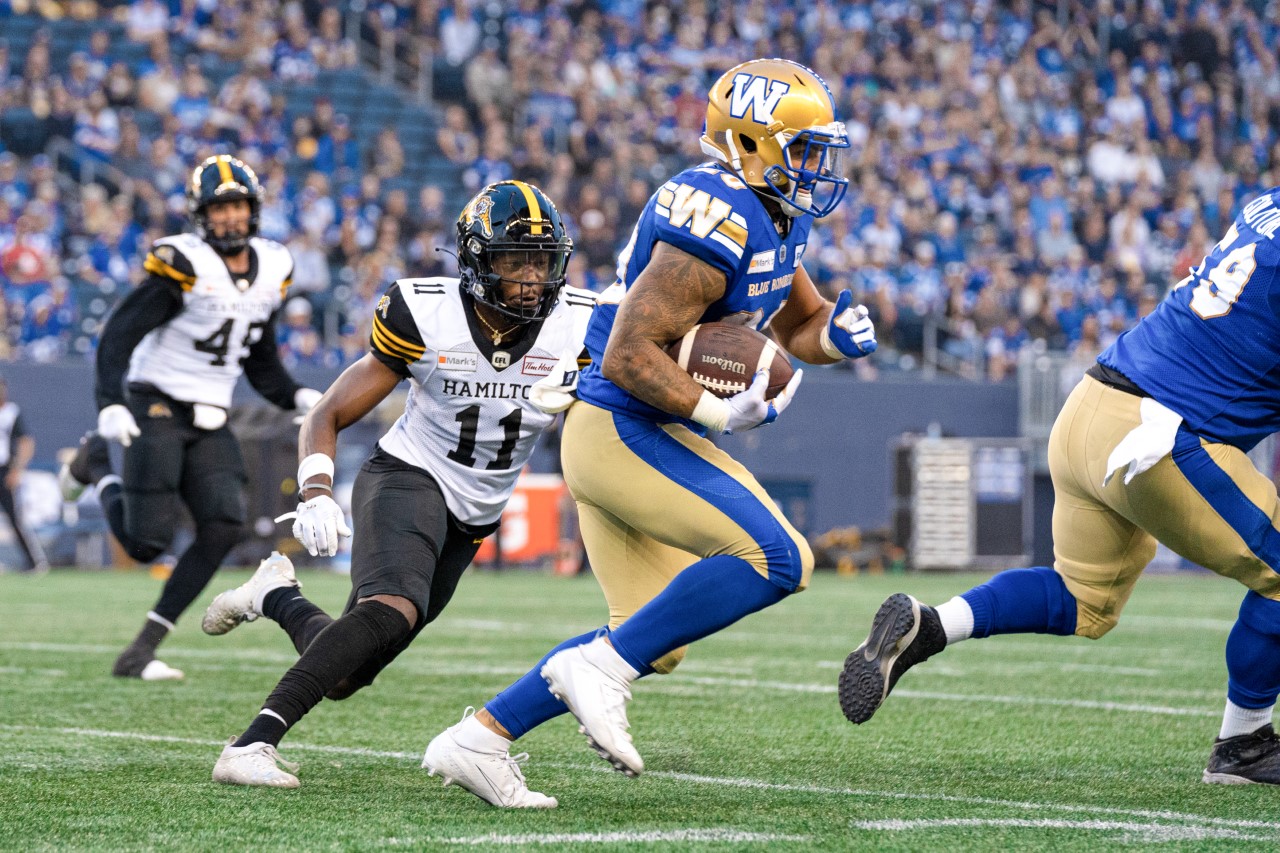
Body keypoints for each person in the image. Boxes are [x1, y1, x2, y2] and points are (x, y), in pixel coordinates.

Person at [423, 58, 877, 808]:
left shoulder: (775, 214)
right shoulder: (717, 213)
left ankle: (481, 737)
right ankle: (597, 669)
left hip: (629, 429)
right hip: (620, 424)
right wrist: (719, 413)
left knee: (651, 638)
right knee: (780, 557)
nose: (814, 166)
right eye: (801, 147)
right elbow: (629, 353)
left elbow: (797, 325)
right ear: (749, 142)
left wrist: (836, 334)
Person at [840, 187, 1280, 786]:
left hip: (1089, 406)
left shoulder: (1264, 204)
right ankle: (1244, 744)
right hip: (1159, 435)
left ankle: (934, 625)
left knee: (1082, 600)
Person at [203, 181, 593, 790]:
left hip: (475, 512)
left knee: (346, 674)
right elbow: (327, 413)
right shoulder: (425, 313)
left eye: (541, 263)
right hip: (409, 475)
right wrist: (315, 492)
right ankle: (251, 744)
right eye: (515, 261)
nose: (530, 279)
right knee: (393, 608)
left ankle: (275, 595)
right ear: (476, 260)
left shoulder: (583, 326)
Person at [59, 155, 322, 681]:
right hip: (156, 398)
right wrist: (110, 401)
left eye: (238, 206)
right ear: (201, 215)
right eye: (219, 208)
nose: (230, 217)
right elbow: (119, 334)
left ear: (254, 209)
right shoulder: (184, 263)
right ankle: (95, 464)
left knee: (224, 526)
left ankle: (142, 649)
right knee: (145, 544)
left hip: (209, 410)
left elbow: (259, 357)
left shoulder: (273, 266)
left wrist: (295, 395)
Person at [0, 377, 48, 574]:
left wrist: (17, 470)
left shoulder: (11, 412)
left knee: (15, 518)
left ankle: (34, 561)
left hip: (4, 471)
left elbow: (26, 442)